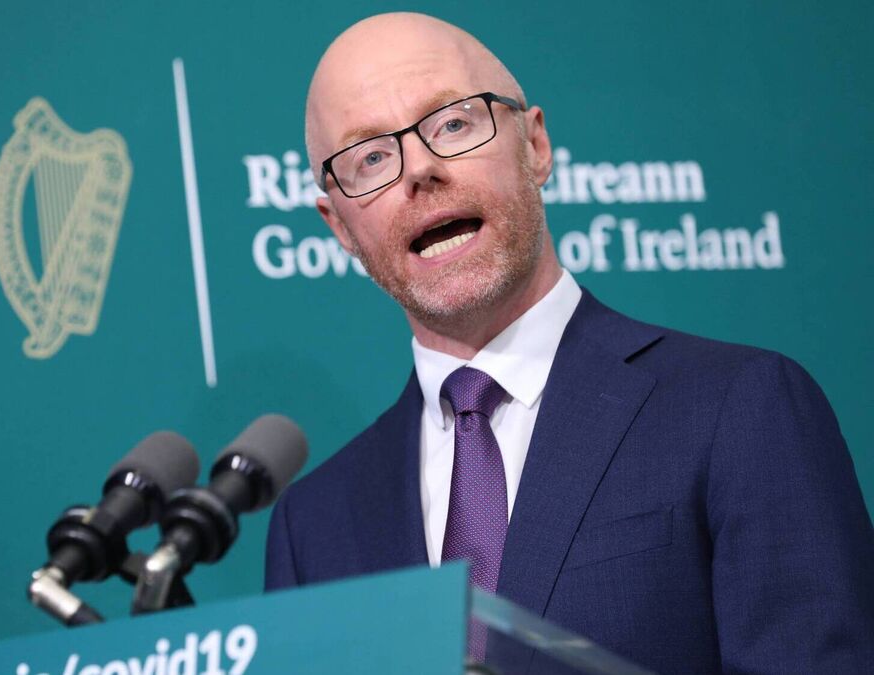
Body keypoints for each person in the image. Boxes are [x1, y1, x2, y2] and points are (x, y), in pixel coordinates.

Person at [264, 12, 874, 673]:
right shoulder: (311, 527)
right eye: (371, 158)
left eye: (452, 124)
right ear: (339, 228)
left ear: (535, 145)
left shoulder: (739, 408)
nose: (420, 169)